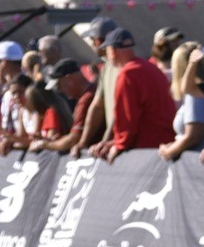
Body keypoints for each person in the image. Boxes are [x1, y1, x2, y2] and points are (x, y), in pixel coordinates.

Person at [97, 28, 176, 164]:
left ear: (113, 51)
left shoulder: (128, 74)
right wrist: (115, 142)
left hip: (147, 151)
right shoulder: (150, 67)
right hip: (166, 145)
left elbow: (127, 118)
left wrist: (119, 145)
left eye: (107, 50)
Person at [159, 42, 204, 161]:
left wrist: (168, 152)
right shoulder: (203, 90)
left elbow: (194, 137)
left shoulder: (195, 95)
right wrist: (175, 145)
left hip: (200, 162)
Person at [31, 58, 102, 153]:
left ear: (69, 79)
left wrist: (45, 144)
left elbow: (73, 140)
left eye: (59, 85)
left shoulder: (86, 99)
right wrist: (59, 140)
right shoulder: (91, 92)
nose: (60, 91)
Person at [75, 16, 120, 157]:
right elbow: (97, 106)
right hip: (115, 144)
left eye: (92, 40)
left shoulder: (121, 68)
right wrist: (82, 143)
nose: (92, 44)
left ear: (99, 41)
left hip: (124, 146)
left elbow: (119, 109)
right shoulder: (106, 68)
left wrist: (105, 141)